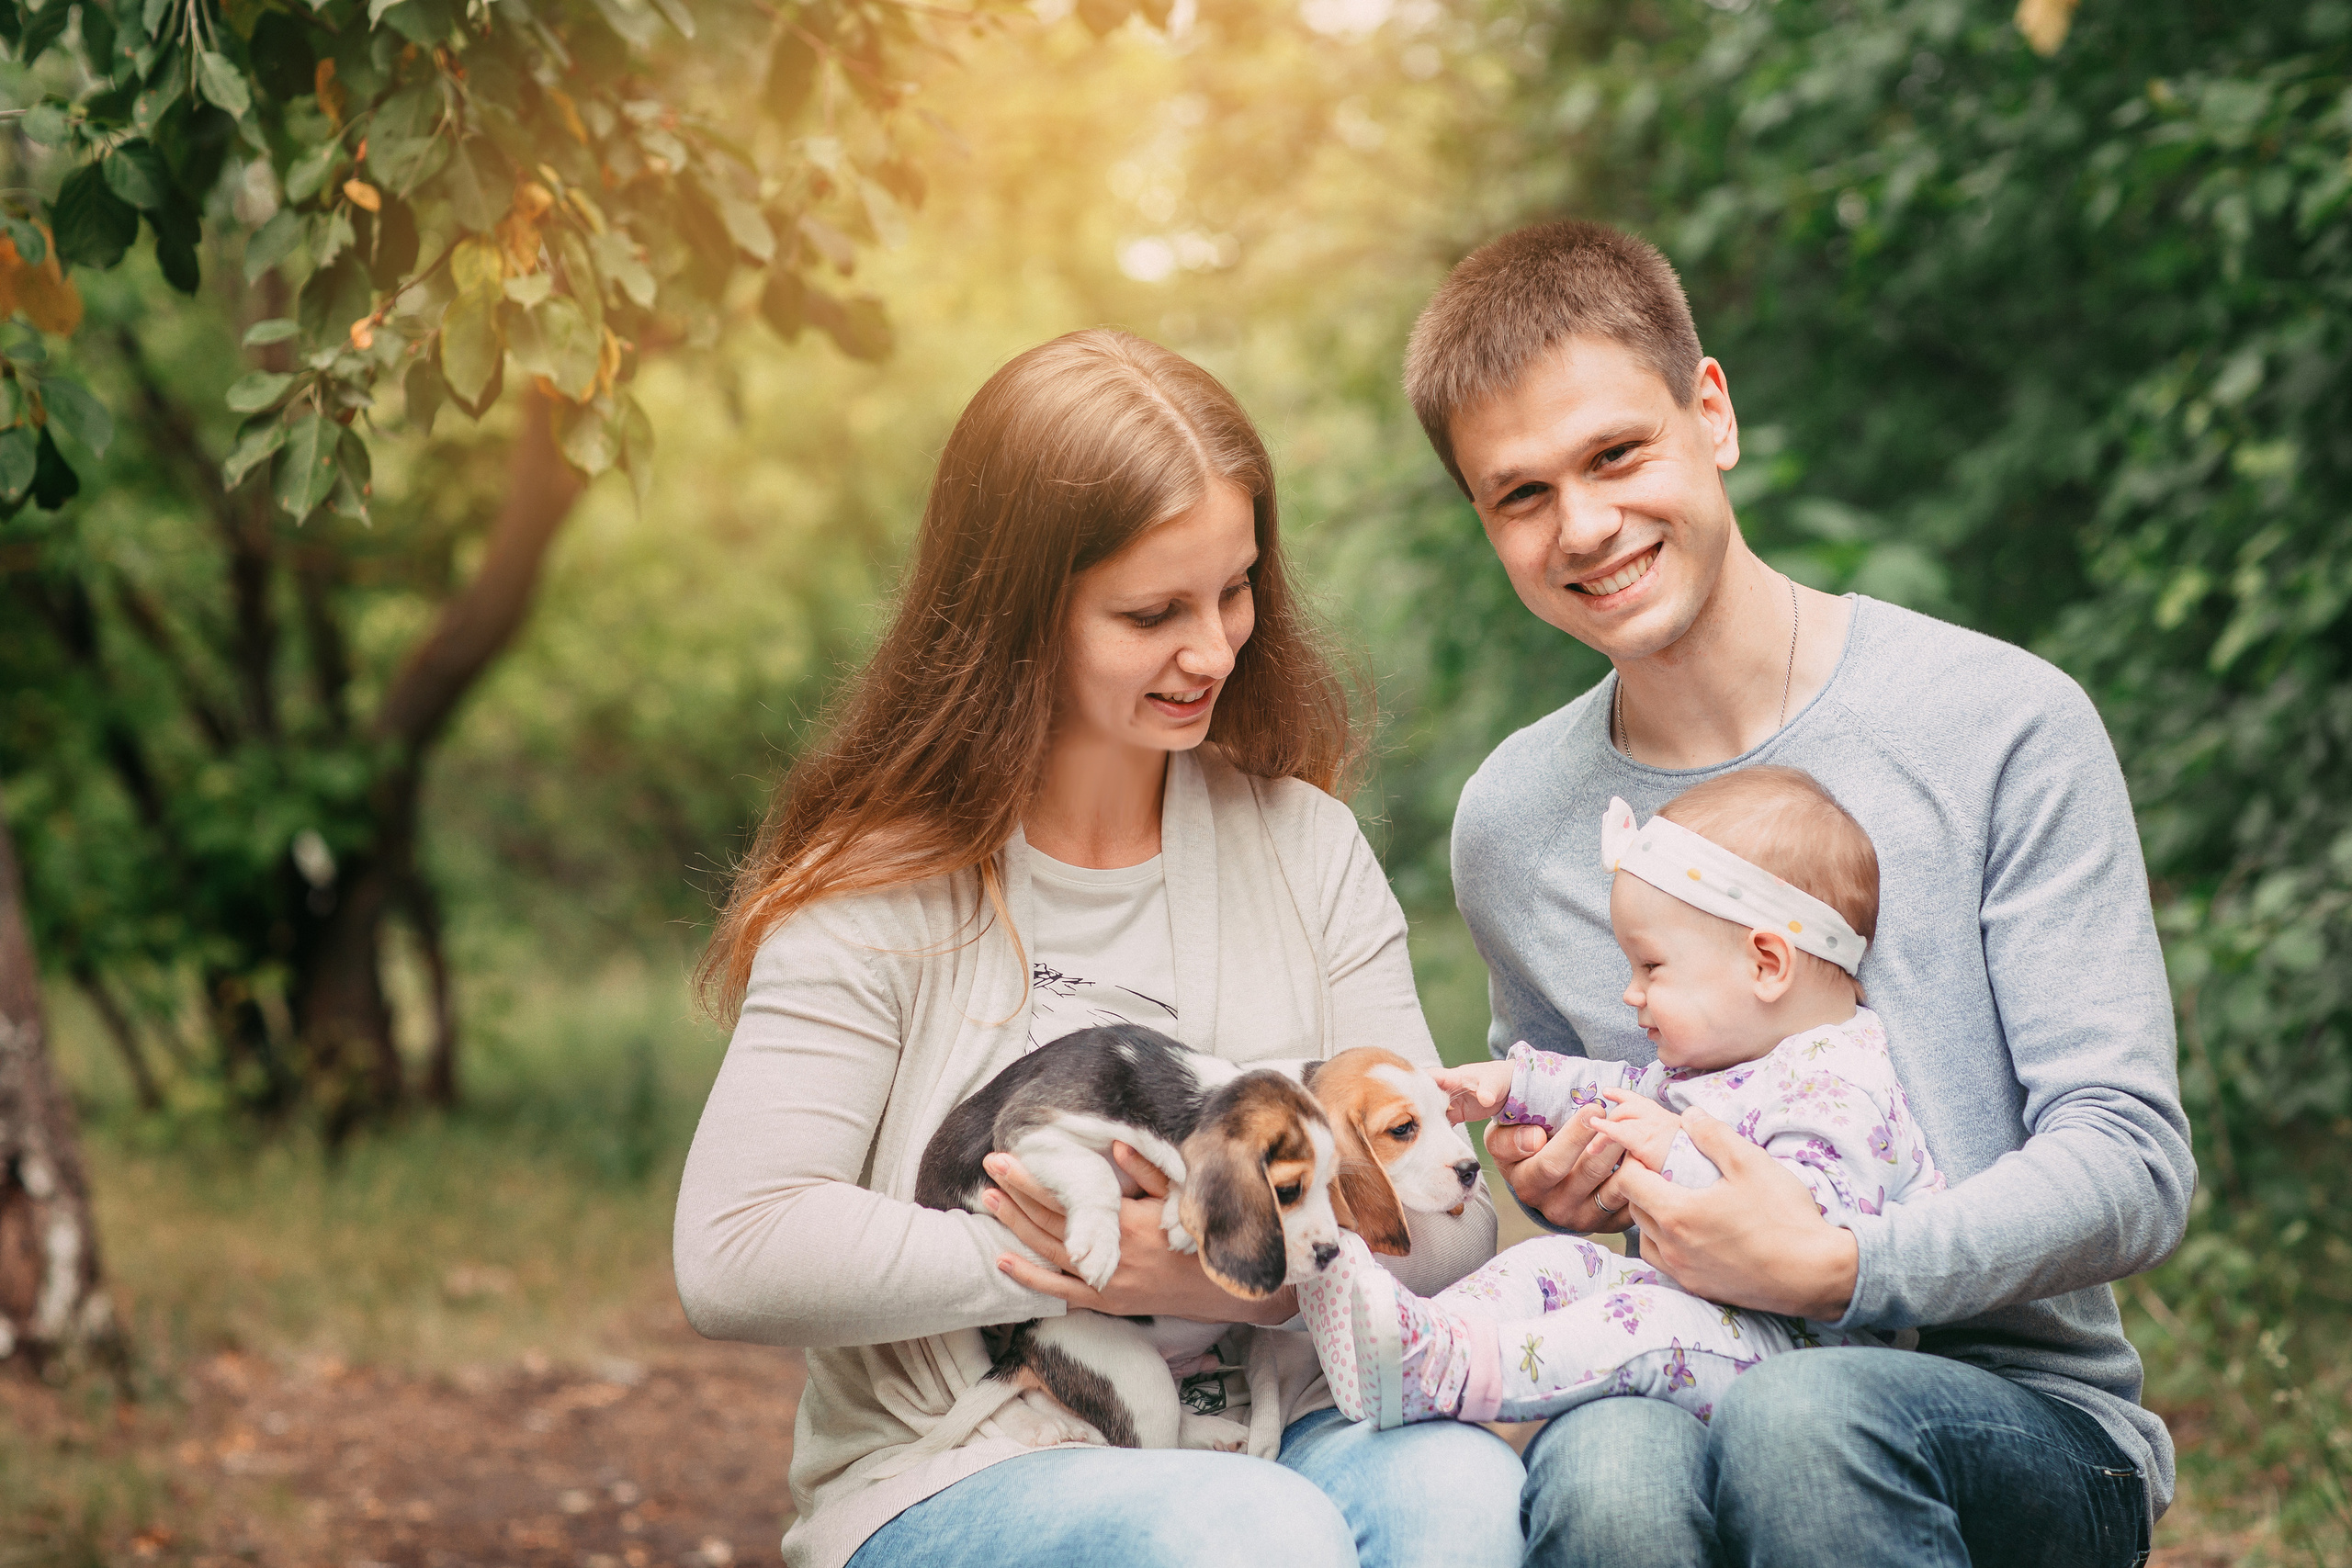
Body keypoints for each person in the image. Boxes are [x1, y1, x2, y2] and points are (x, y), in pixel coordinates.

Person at [1411, 220, 2193, 1566]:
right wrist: (1572, 1186)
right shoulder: (1515, 823)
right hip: (1683, 1365)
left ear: (1709, 412)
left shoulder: (1997, 721)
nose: (1584, 525)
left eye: (1615, 454)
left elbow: (2130, 1160)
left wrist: (1841, 1268)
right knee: (1599, 1466)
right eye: (1520, 494)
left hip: (2023, 1415)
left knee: (1803, 1418)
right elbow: (1622, 1156)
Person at [672, 329, 1521, 1568]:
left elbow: (1451, 1227)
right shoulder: (875, 884)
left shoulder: (1304, 845)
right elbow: (737, 1248)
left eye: (1235, 589)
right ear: (1019, 616)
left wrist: (1216, 1272)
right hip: (964, 1462)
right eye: (1151, 611)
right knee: (1255, 1537)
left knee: (1463, 1491)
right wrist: (1081, 1262)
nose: (1216, 647)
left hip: (1292, 1424)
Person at [1299, 767, 1941, 1429]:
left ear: (1767, 964)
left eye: (1651, 967)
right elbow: (1619, 1091)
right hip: (1709, 1307)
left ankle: (1447, 1371)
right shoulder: (1733, 1061)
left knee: (1629, 1323)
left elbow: (1824, 1226)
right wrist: (1514, 1084)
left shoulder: (1839, 1082)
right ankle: (1408, 1333)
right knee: (1557, 1261)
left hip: (1808, 1348)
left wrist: (1675, 1152)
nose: (1631, 993)